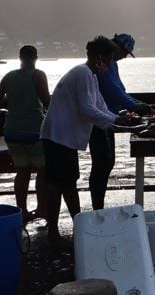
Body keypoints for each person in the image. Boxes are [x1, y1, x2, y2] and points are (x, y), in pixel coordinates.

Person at [40, 36, 137, 248]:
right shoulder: (83, 74)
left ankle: (79, 228)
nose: (110, 63)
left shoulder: (91, 76)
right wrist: (116, 119)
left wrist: (120, 120)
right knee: (59, 184)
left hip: (65, 136)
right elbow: (88, 110)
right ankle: (56, 233)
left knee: (67, 182)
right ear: (98, 57)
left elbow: (100, 107)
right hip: (58, 135)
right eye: (109, 59)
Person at [89, 32, 152, 210]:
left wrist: (137, 104)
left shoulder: (113, 64)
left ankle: (99, 205)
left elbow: (120, 89)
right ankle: (97, 208)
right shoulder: (103, 65)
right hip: (100, 121)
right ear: (117, 47)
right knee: (101, 164)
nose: (124, 57)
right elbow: (111, 90)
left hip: (111, 121)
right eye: (125, 53)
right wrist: (136, 106)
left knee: (108, 163)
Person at [0, 45, 51, 224]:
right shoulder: (38, 74)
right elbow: (47, 100)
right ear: (35, 57)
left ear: (19, 57)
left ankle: (22, 211)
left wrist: (12, 101)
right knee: (42, 171)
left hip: (11, 130)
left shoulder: (9, 76)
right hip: (33, 129)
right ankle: (42, 208)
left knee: (22, 172)